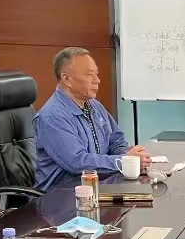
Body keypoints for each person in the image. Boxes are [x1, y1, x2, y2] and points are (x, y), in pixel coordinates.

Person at [34, 47, 149, 191]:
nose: (97, 80)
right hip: (62, 194)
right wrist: (123, 161)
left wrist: (128, 155)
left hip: (97, 186)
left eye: (96, 74)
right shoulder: (52, 117)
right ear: (66, 79)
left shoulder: (94, 106)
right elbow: (77, 163)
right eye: (89, 75)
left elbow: (116, 141)